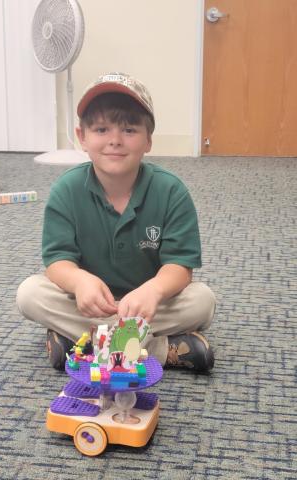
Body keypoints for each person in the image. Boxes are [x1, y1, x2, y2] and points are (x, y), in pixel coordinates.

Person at [16, 72, 216, 373]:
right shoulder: (66, 191)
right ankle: (160, 350)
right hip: (88, 303)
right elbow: (57, 262)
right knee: (30, 294)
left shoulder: (171, 191)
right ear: (82, 137)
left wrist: (154, 290)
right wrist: (80, 281)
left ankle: (80, 343)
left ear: (148, 139)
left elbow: (180, 267)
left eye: (129, 129)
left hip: (148, 305)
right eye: (100, 129)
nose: (114, 140)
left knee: (203, 301)